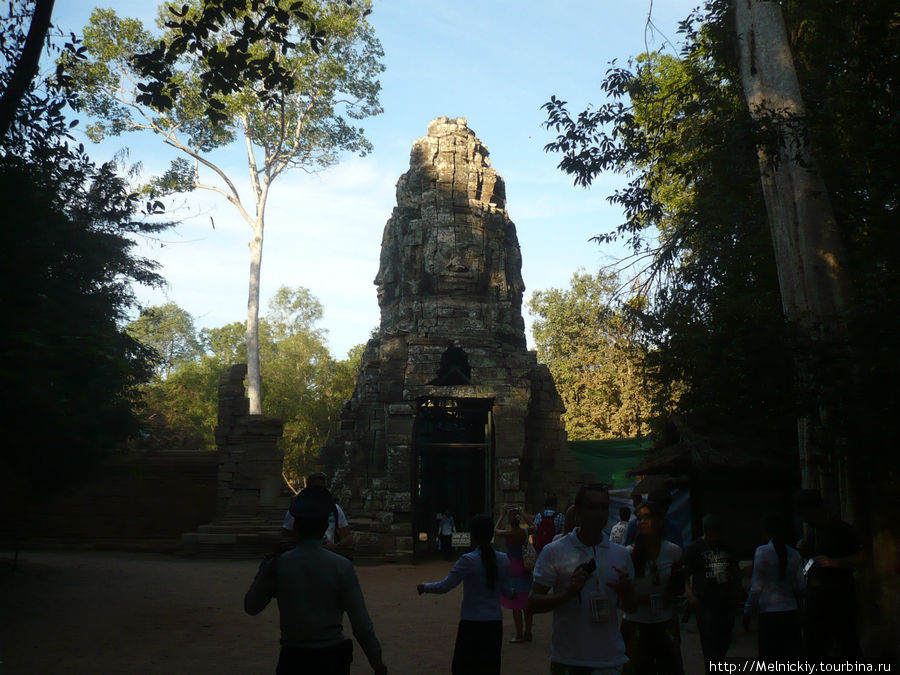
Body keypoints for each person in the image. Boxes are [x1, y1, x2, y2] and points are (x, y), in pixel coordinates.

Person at [244, 485, 388, 675]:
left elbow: (251, 606)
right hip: (331, 658)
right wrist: (377, 664)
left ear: (295, 526)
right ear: (323, 528)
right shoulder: (341, 566)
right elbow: (361, 625)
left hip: (293, 657)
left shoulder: (280, 564)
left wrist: (268, 566)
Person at [528, 483, 636, 674]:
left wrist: (626, 593)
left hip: (611, 660)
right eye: (593, 507)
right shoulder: (554, 551)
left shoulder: (621, 555)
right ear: (577, 511)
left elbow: (630, 608)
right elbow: (533, 603)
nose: (600, 513)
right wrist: (567, 594)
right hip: (569, 660)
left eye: (604, 507)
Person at [417, 513, 516, 675]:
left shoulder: (468, 560)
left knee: (464, 668)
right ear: (491, 534)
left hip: (471, 622)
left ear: (473, 536)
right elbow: (507, 592)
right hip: (493, 623)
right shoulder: (503, 559)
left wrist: (424, 587)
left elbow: (445, 586)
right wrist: (515, 594)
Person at [795, 489, 865, 661]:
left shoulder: (841, 529)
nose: (804, 519)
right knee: (814, 647)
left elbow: (862, 556)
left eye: (805, 514)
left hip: (839, 598)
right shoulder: (812, 532)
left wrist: (835, 562)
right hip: (816, 598)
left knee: (848, 645)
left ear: (815, 510)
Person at [621, 500, 685, 675]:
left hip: (664, 622)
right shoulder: (628, 554)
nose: (642, 522)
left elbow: (679, 586)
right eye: (639, 518)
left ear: (660, 521)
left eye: (647, 517)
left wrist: (670, 594)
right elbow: (623, 596)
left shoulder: (673, 551)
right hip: (636, 624)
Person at [743, 512, 805, 661]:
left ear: (766, 532)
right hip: (790, 611)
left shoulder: (762, 552)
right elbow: (801, 586)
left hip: (768, 613)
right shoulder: (794, 554)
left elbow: (756, 587)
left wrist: (748, 611)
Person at [684, 513, 741, 672]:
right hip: (704, 602)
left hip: (726, 600)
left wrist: (737, 590)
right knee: (709, 640)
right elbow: (685, 576)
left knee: (725, 638)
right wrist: (690, 595)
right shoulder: (694, 549)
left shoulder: (727, 548)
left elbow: (735, 570)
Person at [281, 471, 351, 553]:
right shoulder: (297, 508)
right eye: (315, 488)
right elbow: (285, 536)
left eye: (321, 488)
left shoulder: (334, 509)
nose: (318, 491)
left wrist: (335, 546)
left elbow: (348, 537)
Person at [495, 505, 534, 643]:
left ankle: (519, 634)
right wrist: (523, 514)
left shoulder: (509, 534)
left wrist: (503, 514)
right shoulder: (524, 532)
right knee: (526, 601)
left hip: (512, 566)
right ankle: (528, 632)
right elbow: (534, 526)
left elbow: (496, 530)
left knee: (516, 603)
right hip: (524, 566)